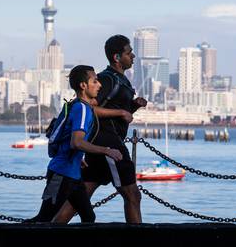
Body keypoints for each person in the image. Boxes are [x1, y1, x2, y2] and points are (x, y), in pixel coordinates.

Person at [54, 34, 147, 224]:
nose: (133, 56)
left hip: (104, 144)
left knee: (81, 197)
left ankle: (53, 228)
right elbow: (90, 107)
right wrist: (122, 112)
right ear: (117, 57)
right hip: (108, 143)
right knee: (132, 195)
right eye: (129, 53)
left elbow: (114, 111)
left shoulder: (122, 81)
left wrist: (133, 106)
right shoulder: (107, 79)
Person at [24, 65, 123, 223]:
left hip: (73, 176)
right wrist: (107, 150)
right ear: (83, 85)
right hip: (61, 174)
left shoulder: (75, 105)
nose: (100, 85)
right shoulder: (82, 109)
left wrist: (78, 157)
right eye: (95, 81)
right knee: (44, 218)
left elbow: (68, 140)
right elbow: (76, 142)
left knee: (88, 216)